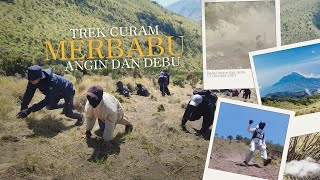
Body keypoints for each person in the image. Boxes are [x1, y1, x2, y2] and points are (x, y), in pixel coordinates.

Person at [17, 65, 83, 125]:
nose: (31, 81)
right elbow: (28, 93)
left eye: (33, 80)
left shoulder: (52, 81)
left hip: (68, 89)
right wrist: (24, 108)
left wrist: (29, 110)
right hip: (56, 92)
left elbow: (47, 100)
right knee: (49, 107)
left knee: (68, 113)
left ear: (40, 77)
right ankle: (67, 105)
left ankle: (81, 117)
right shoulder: (32, 79)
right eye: (30, 79)